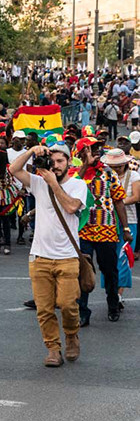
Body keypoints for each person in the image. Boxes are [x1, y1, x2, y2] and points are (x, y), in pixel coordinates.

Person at [10, 143, 88, 367]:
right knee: (44, 309)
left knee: (68, 305)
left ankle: (72, 334)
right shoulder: (37, 182)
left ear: (69, 163)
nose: (55, 165)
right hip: (40, 257)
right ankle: (53, 349)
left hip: (68, 257)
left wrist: (53, 184)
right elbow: (13, 170)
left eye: (60, 161)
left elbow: (72, 207)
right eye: (52, 161)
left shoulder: (77, 185)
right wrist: (31, 151)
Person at [74, 137, 132, 326]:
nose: (97, 151)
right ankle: (83, 311)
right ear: (82, 153)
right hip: (83, 231)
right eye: (91, 148)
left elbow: (119, 201)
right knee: (83, 272)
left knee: (110, 271)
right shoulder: (76, 173)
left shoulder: (109, 173)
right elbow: (71, 191)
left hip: (106, 231)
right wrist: (85, 166)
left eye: (98, 148)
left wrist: (125, 228)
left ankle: (113, 305)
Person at [99, 149, 140, 308]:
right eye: (112, 165)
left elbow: (137, 196)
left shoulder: (134, 176)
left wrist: (118, 202)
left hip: (128, 221)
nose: (115, 168)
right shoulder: (103, 176)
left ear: (124, 164)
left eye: (118, 165)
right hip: (107, 222)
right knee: (108, 259)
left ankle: (118, 294)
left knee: (123, 258)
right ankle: (111, 291)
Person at [0, 145, 20, 255]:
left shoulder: (8, 169)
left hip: (6, 196)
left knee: (5, 221)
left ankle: (7, 244)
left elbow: (9, 182)